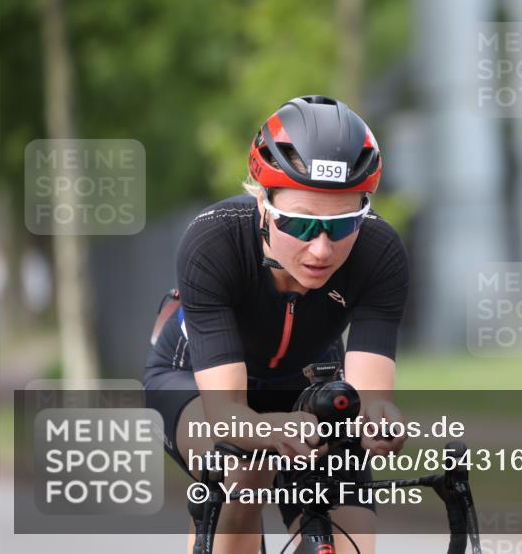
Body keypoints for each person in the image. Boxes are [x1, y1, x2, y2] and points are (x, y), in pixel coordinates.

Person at [143, 95, 409, 554]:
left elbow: (369, 401)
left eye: (342, 225)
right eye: (301, 225)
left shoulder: (380, 251)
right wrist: (270, 430)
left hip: (308, 385)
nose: (321, 249)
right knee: (245, 472)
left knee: (352, 539)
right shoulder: (214, 240)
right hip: (193, 382)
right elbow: (226, 414)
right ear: (263, 203)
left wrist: (380, 422)